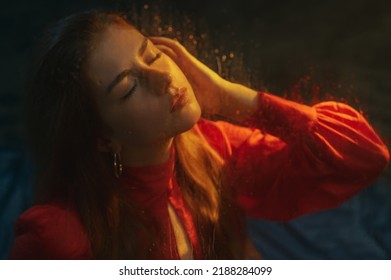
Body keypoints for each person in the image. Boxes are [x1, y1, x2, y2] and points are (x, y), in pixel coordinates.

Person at [9, 10, 389, 260]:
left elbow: (362, 156)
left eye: (153, 54)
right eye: (128, 87)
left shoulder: (213, 147)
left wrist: (229, 97)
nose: (162, 78)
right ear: (103, 139)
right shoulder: (57, 237)